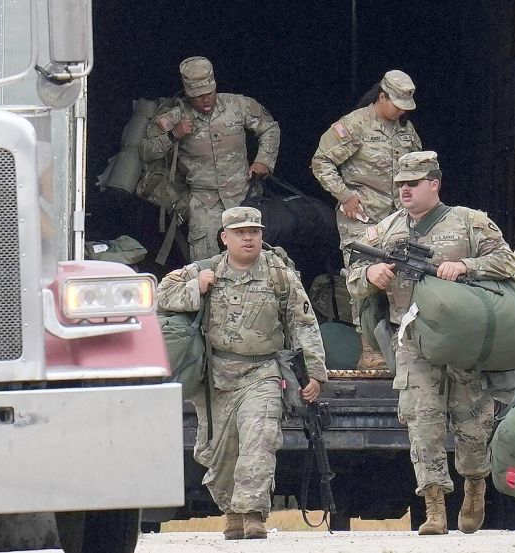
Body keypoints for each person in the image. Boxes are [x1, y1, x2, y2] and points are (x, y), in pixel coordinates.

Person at [346, 151, 515, 535]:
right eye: (400, 185)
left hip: (463, 343)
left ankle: (474, 485)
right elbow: (353, 277)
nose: (405, 190)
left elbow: (508, 263)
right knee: (422, 422)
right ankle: (435, 506)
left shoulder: (470, 222)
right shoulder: (385, 230)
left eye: (413, 183)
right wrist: (371, 273)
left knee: (474, 425)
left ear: (434, 184)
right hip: (412, 340)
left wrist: (466, 267)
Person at [156, 206, 327, 540]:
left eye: (254, 232)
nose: (248, 238)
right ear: (224, 238)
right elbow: (160, 293)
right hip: (216, 376)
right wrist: (196, 288)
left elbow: (304, 323)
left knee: (259, 440)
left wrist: (315, 374)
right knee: (218, 452)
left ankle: (253, 513)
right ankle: (231, 510)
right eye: (240, 232)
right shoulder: (206, 269)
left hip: (262, 371)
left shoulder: (280, 275)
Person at [311, 70, 423, 369]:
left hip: (399, 218)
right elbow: (321, 162)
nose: (401, 110)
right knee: (363, 279)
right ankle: (369, 351)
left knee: (402, 279)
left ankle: (401, 349)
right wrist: (344, 195)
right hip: (363, 217)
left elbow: (418, 169)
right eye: (396, 103)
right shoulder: (354, 125)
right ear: (382, 96)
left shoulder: (405, 130)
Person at [142, 56, 281, 261]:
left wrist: (264, 161)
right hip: (203, 206)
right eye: (198, 96)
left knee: (254, 265)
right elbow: (145, 151)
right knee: (206, 272)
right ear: (188, 95)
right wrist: (173, 135)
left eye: (209, 94)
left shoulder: (238, 105)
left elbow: (269, 127)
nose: (205, 100)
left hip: (244, 197)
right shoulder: (175, 116)